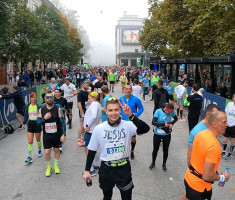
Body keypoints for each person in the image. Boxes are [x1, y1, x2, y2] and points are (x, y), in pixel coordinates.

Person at [82, 97, 150, 200]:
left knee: (127, 197)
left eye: (116, 110)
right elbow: (92, 150)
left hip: (123, 169)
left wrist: (131, 116)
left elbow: (146, 129)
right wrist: (87, 170)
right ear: (106, 111)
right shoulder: (99, 128)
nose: (113, 113)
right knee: (107, 196)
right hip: (106, 169)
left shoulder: (128, 125)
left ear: (120, 110)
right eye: (110, 110)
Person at [181, 111, 230, 200]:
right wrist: (222, 177)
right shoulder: (214, 145)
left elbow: (197, 157)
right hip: (200, 188)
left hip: (189, 177)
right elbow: (207, 176)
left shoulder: (200, 134)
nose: (227, 124)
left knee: (187, 196)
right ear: (214, 124)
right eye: (224, 122)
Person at [36, 91, 66, 177]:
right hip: (47, 135)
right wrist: (44, 118)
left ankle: (56, 165)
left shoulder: (58, 109)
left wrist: (63, 134)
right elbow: (38, 123)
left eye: (51, 97)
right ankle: (48, 167)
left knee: (56, 150)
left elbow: (63, 122)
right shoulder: (41, 109)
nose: (49, 99)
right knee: (47, 151)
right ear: (45, 98)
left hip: (57, 134)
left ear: (53, 98)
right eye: (47, 97)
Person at [149, 103, 178, 171]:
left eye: (171, 112)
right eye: (169, 112)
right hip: (157, 133)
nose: (169, 114)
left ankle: (164, 164)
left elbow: (176, 118)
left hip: (167, 134)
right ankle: (153, 163)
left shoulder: (171, 112)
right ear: (165, 109)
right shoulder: (158, 111)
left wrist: (171, 124)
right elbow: (153, 122)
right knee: (155, 149)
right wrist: (163, 124)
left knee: (166, 150)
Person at [119, 85, 144, 160]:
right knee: (123, 138)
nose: (128, 90)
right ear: (124, 90)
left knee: (133, 138)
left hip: (132, 121)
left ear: (132, 90)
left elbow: (141, 109)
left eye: (129, 89)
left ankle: (132, 150)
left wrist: (136, 114)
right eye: (126, 89)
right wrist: (119, 115)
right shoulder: (121, 99)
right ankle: (123, 152)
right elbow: (119, 109)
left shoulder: (136, 99)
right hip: (123, 121)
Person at [83, 92, 102, 176]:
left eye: (89, 98)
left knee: (87, 148)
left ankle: (91, 169)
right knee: (95, 148)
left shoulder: (94, 104)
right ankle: (96, 165)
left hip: (90, 130)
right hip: (94, 129)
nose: (88, 100)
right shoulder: (98, 105)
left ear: (94, 98)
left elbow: (93, 116)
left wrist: (87, 125)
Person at [22, 92, 42, 163]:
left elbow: (41, 115)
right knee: (30, 141)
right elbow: (26, 116)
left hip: (37, 124)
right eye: (32, 97)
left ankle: (39, 150)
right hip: (30, 124)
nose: (34, 98)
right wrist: (23, 123)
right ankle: (29, 156)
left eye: (35, 97)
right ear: (30, 98)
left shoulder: (39, 106)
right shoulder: (28, 106)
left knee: (38, 139)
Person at [54, 88, 70, 153]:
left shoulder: (64, 100)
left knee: (60, 131)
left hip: (61, 118)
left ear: (60, 93)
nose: (56, 93)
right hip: (54, 118)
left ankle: (60, 146)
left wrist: (68, 115)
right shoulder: (53, 99)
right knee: (55, 131)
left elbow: (67, 108)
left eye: (57, 92)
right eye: (55, 92)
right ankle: (55, 143)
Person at [221, 93, 235, 160]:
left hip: (234, 127)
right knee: (224, 139)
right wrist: (225, 121)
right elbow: (226, 113)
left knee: (233, 141)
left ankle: (230, 152)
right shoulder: (229, 104)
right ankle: (223, 151)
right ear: (233, 98)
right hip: (227, 125)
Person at [77, 81, 89, 147]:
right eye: (86, 85)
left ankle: (83, 138)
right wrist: (82, 113)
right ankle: (78, 139)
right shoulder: (80, 93)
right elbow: (79, 103)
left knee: (84, 126)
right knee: (81, 126)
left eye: (88, 85)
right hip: (83, 111)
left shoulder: (86, 92)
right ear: (83, 85)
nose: (88, 86)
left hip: (87, 111)